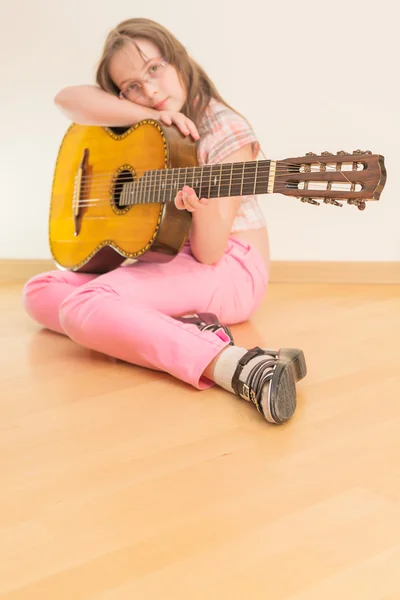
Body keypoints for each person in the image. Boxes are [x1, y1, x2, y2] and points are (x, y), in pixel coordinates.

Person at [23, 17, 307, 424]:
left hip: (232, 267)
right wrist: (152, 117)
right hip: (170, 260)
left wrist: (202, 206)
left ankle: (239, 366)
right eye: (131, 85)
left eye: (154, 69)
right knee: (41, 289)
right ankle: (179, 331)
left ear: (178, 59)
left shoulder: (224, 129)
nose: (150, 90)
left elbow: (209, 254)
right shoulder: (144, 121)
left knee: (84, 305)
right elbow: (67, 99)